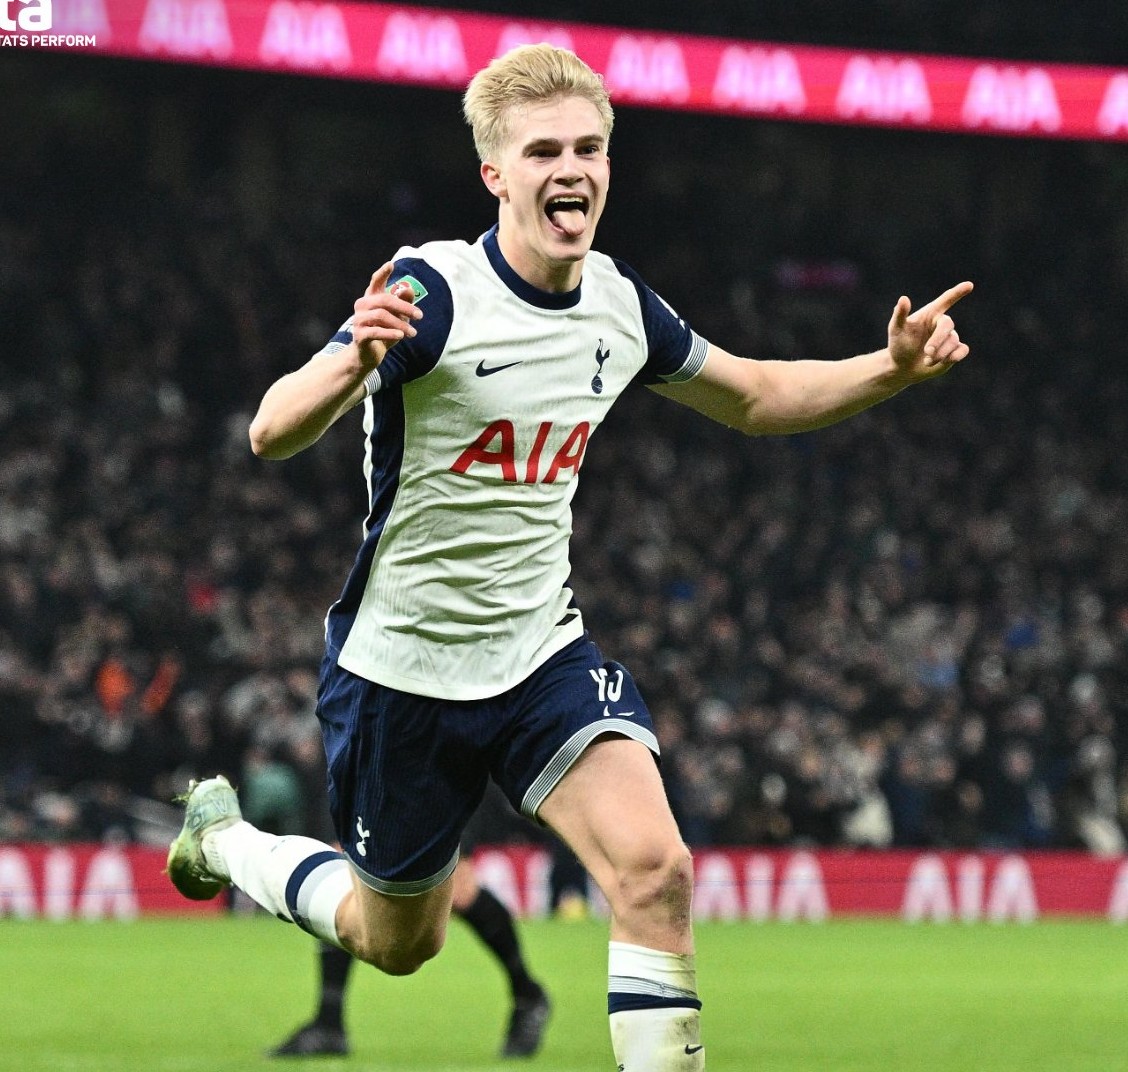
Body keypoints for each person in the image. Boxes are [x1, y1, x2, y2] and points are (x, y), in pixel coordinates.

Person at [167, 43, 973, 1070]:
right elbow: (270, 431)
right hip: (403, 674)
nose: (572, 168)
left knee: (655, 864)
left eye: (589, 147)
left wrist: (890, 371)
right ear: (495, 175)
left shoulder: (618, 305)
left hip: (542, 654)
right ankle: (227, 842)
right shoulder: (433, 290)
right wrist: (351, 363)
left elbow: (759, 396)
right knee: (394, 942)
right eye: (543, 149)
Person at [269, 789, 550, 1059]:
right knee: (345, 870)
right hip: (373, 763)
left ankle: (527, 994)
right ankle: (328, 1023)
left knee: (459, 888)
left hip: (449, 765)